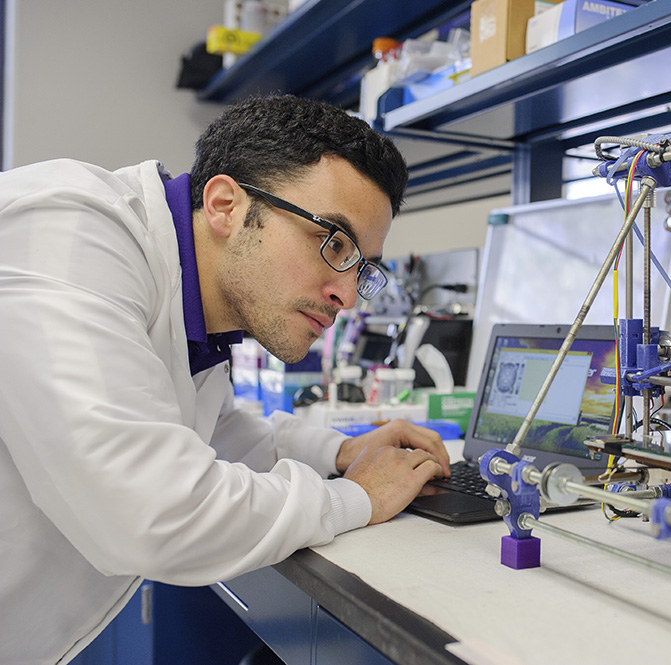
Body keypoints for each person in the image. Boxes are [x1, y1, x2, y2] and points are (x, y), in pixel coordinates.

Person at [0, 95, 451, 665]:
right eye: (334, 242)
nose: (344, 293)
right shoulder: (71, 235)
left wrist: (342, 451)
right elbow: (153, 513)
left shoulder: (197, 314)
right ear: (225, 205)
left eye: (362, 268)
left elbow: (213, 434)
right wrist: (356, 498)